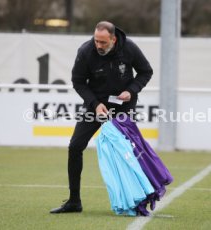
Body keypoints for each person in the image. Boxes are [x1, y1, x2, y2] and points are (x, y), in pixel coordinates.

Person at [50, 21, 153, 213]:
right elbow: (78, 82)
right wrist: (95, 104)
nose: (98, 46)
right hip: (95, 105)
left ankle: (138, 200)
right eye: (96, 41)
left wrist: (132, 90)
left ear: (113, 39)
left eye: (103, 42)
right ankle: (74, 201)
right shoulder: (85, 51)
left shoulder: (129, 48)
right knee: (75, 147)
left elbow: (146, 72)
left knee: (127, 152)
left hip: (123, 106)